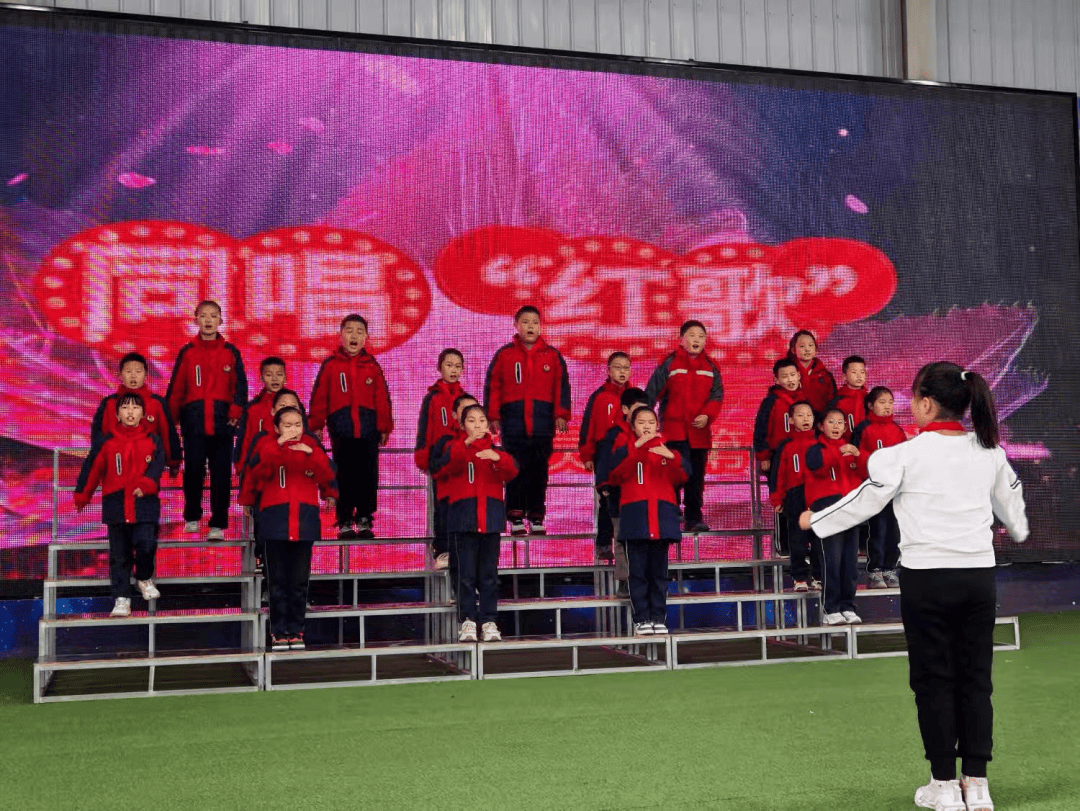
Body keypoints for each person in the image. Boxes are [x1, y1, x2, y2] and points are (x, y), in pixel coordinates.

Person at [800, 362, 1027, 811]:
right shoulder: (991, 453)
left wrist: (815, 520)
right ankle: (977, 784)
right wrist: (1015, 527)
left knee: (933, 679)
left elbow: (864, 501)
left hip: (928, 580)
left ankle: (944, 785)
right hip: (978, 577)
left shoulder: (903, 454)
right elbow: (1014, 513)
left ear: (925, 403)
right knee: (975, 679)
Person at [239, 406, 337, 651]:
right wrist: (278, 446)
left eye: (297, 425)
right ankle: (278, 632)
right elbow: (258, 473)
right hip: (275, 521)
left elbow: (327, 475)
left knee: (299, 582)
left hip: (304, 521)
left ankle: (297, 631)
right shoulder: (267, 446)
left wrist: (311, 453)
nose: (293, 430)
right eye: (287, 425)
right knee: (277, 582)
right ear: (276, 428)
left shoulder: (311, 448)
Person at [73, 393, 166, 617]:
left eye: (135, 408)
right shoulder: (106, 441)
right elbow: (92, 468)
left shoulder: (153, 441)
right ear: (117, 414)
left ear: (143, 413)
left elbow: (158, 465)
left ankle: (144, 577)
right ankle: (122, 598)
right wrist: (83, 494)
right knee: (119, 555)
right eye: (125, 408)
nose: (130, 412)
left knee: (146, 545)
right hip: (116, 505)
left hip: (145, 504)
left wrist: (146, 484)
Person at [484, 305, 571, 535]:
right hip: (513, 422)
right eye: (525, 322)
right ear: (516, 325)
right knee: (515, 468)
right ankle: (514, 516)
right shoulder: (505, 355)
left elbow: (561, 386)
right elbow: (494, 385)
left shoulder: (552, 355)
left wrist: (561, 414)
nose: (530, 326)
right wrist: (492, 416)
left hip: (542, 424)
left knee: (538, 469)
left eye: (535, 322)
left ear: (541, 326)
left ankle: (536, 515)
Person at [434, 404, 518, 643]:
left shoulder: (496, 451)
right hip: (463, 519)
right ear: (462, 425)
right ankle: (468, 621)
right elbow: (444, 469)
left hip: (490, 519)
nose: (478, 425)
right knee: (465, 575)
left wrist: (498, 458)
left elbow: (511, 471)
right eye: (471, 420)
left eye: (482, 420)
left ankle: (489, 621)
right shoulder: (453, 447)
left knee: (489, 575)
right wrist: (467, 443)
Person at [166, 300, 247, 540]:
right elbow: (176, 388)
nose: (208, 320)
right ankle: (192, 517)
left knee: (221, 474)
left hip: (223, 423)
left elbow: (240, 387)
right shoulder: (188, 352)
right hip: (194, 421)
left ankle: (218, 524)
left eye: (213, 316)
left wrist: (235, 413)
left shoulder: (231, 352)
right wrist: (170, 422)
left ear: (221, 321)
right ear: (196, 320)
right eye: (203, 316)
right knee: (193, 471)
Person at [309, 314, 393, 540]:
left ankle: (365, 517)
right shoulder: (331, 365)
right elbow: (320, 396)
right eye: (349, 330)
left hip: (368, 430)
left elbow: (382, 399)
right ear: (340, 335)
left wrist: (384, 427)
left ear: (366, 337)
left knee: (368, 474)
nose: (354, 335)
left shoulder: (372, 366)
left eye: (359, 331)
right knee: (343, 474)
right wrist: (316, 424)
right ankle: (344, 520)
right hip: (341, 429)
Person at [606, 406, 689, 636]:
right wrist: (637, 449)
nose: (647, 427)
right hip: (636, 516)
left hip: (661, 517)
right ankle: (642, 619)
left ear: (657, 425)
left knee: (659, 574)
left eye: (651, 422)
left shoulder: (667, 449)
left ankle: (658, 617)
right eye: (641, 422)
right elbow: (615, 476)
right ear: (633, 426)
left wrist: (671, 458)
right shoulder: (624, 448)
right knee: (638, 573)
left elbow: (681, 477)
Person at [645, 320, 723, 533]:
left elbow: (717, 396)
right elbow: (651, 393)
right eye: (692, 335)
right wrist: (642, 421)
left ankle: (693, 518)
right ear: (681, 340)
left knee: (695, 479)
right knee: (674, 474)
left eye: (701, 336)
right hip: (674, 432)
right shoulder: (669, 364)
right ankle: (670, 513)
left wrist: (707, 415)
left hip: (699, 434)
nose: (697, 340)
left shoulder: (711, 367)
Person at [804, 407, 864, 625]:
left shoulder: (850, 449)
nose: (837, 426)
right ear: (821, 426)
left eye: (840, 422)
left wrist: (860, 458)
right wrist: (839, 452)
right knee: (832, 560)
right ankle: (830, 609)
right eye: (831, 422)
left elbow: (863, 474)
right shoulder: (815, 449)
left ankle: (848, 606)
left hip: (850, 509)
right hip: (827, 509)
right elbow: (817, 467)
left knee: (849, 562)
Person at [851, 386, 908, 589]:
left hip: (894, 490)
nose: (887, 406)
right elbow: (856, 457)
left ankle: (890, 569)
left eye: (890, 403)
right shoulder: (863, 428)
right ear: (870, 405)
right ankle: (875, 571)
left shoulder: (897, 430)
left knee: (894, 531)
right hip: (874, 488)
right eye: (882, 402)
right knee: (878, 530)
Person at [578, 351, 632, 562]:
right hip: (604, 455)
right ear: (608, 371)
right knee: (607, 498)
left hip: (628, 454)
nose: (622, 372)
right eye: (617, 367)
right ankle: (603, 544)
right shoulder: (599, 396)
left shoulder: (634, 396)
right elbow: (587, 427)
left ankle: (627, 546)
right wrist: (587, 455)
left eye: (626, 368)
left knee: (627, 499)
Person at [91, 351, 181, 477]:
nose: (133, 376)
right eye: (128, 371)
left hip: (148, 470)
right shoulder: (109, 403)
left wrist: (173, 462)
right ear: (120, 374)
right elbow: (99, 435)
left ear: (145, 375)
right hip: (116, 469)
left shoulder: (157, 403)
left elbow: (168, 434)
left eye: (138, 372)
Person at [414, 349, 465, 569]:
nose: (453, 370)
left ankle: (461, 548)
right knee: (442, 505)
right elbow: (424, 428)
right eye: (449, 365)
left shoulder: (465, 399)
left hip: (461, 457)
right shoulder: (432, 398)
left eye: (457, 366)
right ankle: (442, 549)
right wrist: (423, 454)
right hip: (440, 458)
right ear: (439, 367)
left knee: (461, 504)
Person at [597, 388, 651, 594]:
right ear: (626, 410)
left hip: (644, 495)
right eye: (637, 410)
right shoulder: (614, 434)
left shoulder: (651, 434)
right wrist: (603, 486)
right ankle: (625, 580)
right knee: (622, 540)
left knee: (645, 539)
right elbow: (604, 462)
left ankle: (645, 579)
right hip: (618, 496)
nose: (641, 415)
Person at [769, 401, 822, 592]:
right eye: (800, 415)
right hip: (795, 496)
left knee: (819, 539)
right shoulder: (786, 446)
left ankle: (818, 576)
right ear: (791, 420)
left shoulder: (821, 444)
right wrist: (777, 498)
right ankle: (799, 577)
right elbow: (778, 474)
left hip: (818, 496)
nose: (805, 419)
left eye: (809, 415)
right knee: (797, 540)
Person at [235, 356, 287, 478]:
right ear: (261, 378)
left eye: (279, 374)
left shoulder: (294, 405)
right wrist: (241, 466)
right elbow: (245, 439)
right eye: (269, 375)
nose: (274, 379)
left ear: (285, 377)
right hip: (259, 465)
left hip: (287, 465)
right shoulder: (253, 408)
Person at [787, 329, 836, 418]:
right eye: (802, 346)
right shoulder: (787, 374)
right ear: (793, 350)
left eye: (810, 345)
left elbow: (833, 401)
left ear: (816, 350)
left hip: (821, 420)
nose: (807, 349)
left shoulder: (825, 375)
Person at [829, 355, 868, 439]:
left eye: (862, 372)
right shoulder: (837, 400)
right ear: (844, 376)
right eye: (854, 372)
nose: (859, 376)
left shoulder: (870, 398)